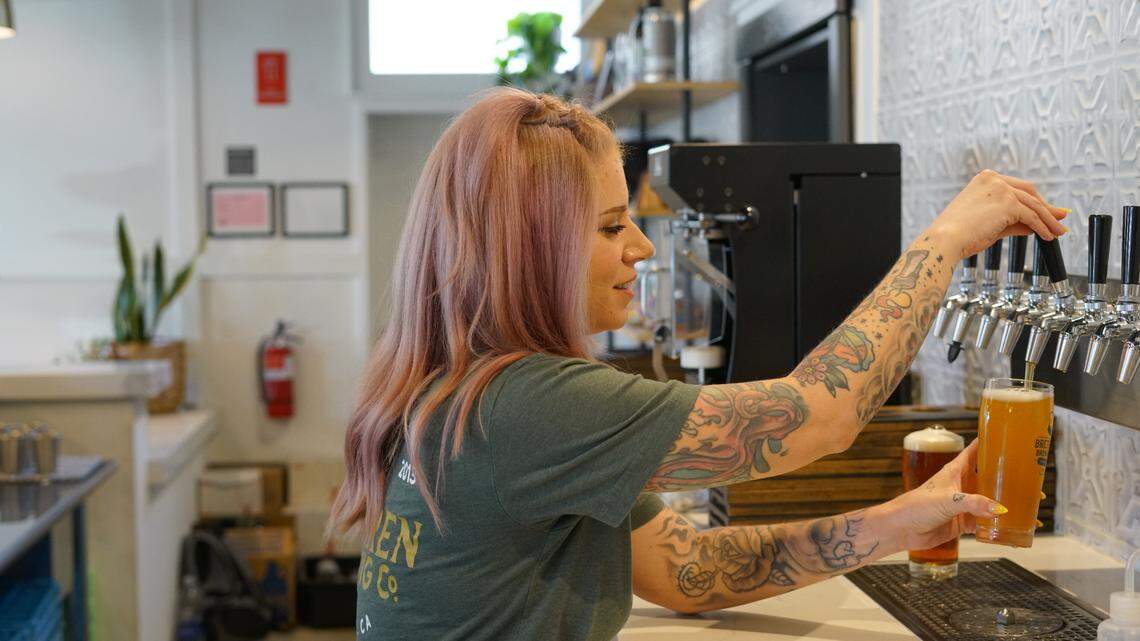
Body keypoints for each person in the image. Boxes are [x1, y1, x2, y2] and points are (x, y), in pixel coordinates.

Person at [329, 88, 1068, 640]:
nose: (643, 248)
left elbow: (681, 570)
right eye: (613, 226)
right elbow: (823, 413)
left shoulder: (462, 380)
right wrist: (942, 242)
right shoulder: (526, 404)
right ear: (534, 247)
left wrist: (899, 523)